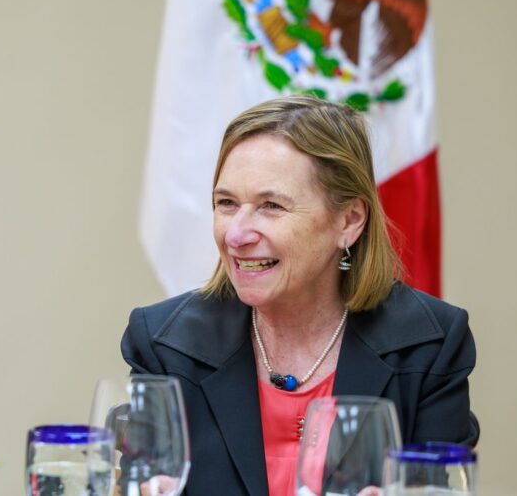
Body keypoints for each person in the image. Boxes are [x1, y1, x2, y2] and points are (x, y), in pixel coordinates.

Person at [121, 96, 476, 495]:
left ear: (349, 220)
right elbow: (141, 481)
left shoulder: (430, 347)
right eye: (226, 203)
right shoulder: (165, 346)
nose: (236, 235)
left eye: (271, 206)